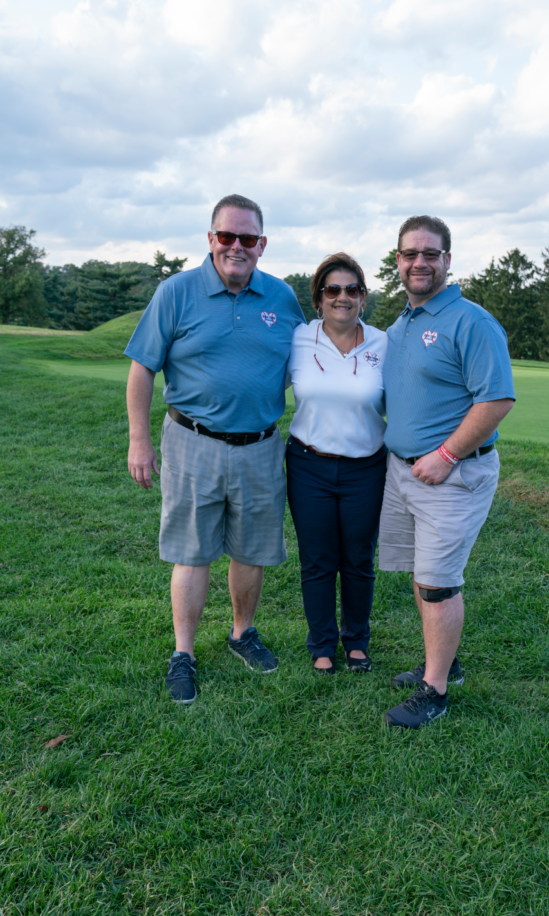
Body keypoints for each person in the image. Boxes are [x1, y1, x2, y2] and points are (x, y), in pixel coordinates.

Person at [125, 194, 305, 704]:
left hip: (261, 445)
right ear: (210, 239)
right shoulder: (176, 292)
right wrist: (140, 440)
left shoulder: (281, 298)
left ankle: (241, 632)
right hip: (191, 441)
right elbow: (142, 367)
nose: (236, 247)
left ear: (262, 245)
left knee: (251, 550)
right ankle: (184, 652)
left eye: (248, 239)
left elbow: (308, 358)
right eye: (226, 236)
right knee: (192, 550)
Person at [379, 215, 515, 728]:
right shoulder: (401, 323)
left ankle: (435, 690)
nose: (419, 262)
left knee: (437, 583)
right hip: (404, 474)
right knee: (422, 572)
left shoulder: (471, 321)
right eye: (410, 253)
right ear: (398, 260)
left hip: (453, 475)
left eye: (430, 254)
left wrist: (448, 455)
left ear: (447, 260)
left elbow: (497, 399)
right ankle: (445, 663)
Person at [286, 253, 388, 674]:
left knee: (359, 558)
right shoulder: (297, 338)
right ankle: (323, 644)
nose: (342, 297)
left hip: (366, 467)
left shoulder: (384, 342)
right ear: (318, 299)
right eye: (332, 290)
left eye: (352, 290)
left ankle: (357, 642)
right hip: (308, 464)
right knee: (317, 558)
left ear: (363, 297)